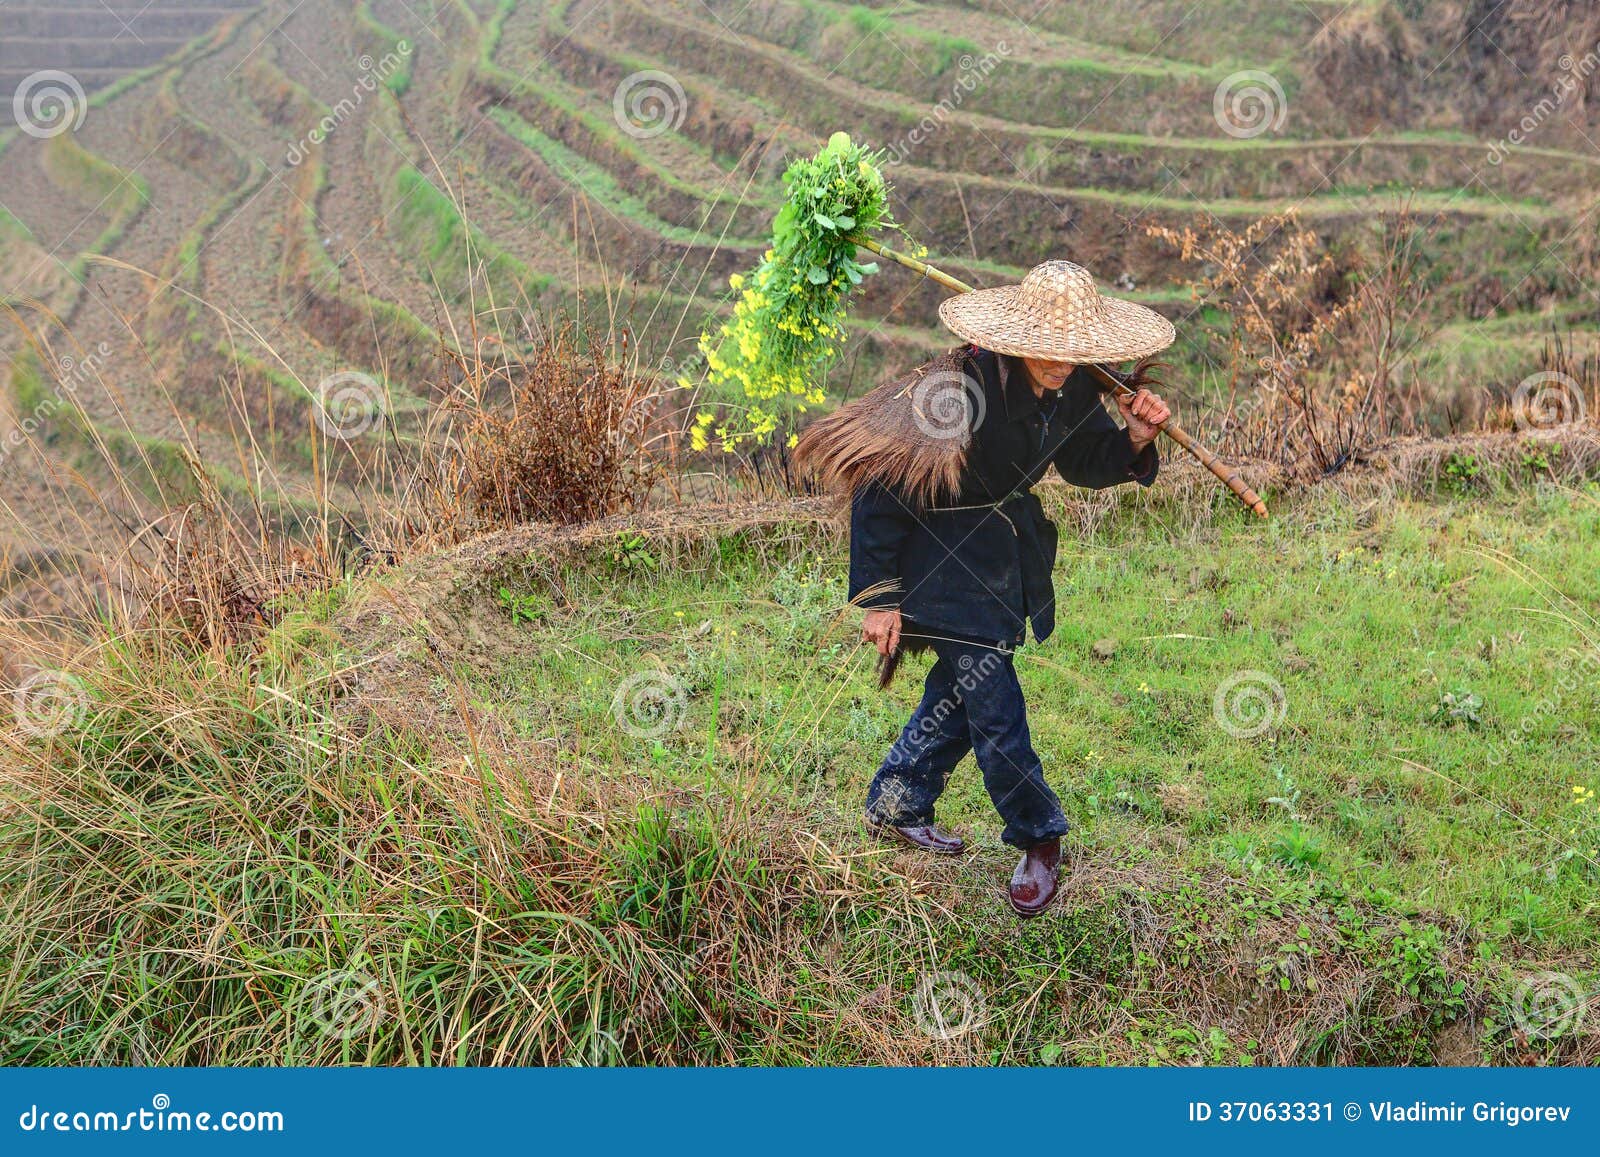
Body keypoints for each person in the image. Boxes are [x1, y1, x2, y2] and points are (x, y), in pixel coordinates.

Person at [795, 260, 1175, 917]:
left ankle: (898, 801)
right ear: (1017, 336)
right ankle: (1038, 832)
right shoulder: (956, 390)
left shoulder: (1075, 384)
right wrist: (881, 597)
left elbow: (1079, 461)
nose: (1060, 361)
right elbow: (881, 486)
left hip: (999, 554)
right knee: (992, 698)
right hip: (936, 555)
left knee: (963, 689)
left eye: (1072, 348)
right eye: (1048, 348)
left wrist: (1133, 440)